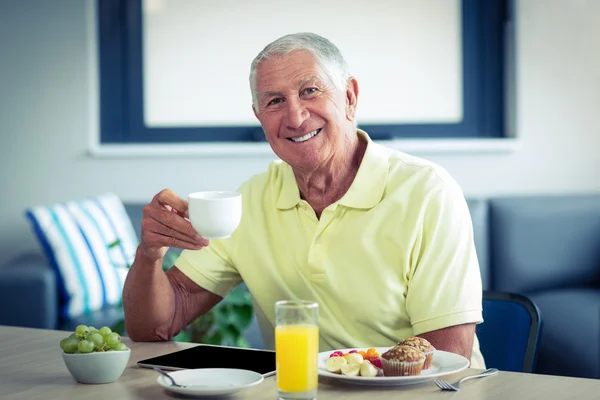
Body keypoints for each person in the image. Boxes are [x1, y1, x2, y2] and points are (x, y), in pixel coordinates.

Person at [122, 32, 485, 368]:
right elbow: (154, 326)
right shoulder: (249, 200)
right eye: (275, 101)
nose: (295, 117)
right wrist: (150, 253)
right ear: (259, 118)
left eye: (310, 91)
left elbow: (446, 355)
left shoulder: (427, 192)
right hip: (301, 390)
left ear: (350, 97)